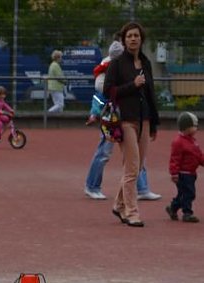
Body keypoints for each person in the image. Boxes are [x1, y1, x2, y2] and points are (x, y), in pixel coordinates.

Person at [84, 39, 160, 201]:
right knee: (104, 152)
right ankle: (92, 186)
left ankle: (142, 188)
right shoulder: (109, 70)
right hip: (112, 118)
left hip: (128, 116)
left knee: (136, 154)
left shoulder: (128, 66)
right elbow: (101, 94)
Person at [105, 22, 160, 227]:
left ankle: (118, 205)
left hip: (144, 120)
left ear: (141, 39)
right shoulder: (117, 64)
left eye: (136, 36)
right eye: (129, 36)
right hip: (125, 121)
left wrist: (154, 123)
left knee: (136, 169)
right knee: (132, 168)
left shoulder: (145, 63)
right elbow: (108, 91)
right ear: (124, 39)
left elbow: (151, 94)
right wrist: (132, 85)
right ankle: (132, 212)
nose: (133, 39)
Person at [167, 112, 203, 223]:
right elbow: (174, 159)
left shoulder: (192, 141)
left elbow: (198, 155)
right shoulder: (178, 142)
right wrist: (174, 173)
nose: (196, 128)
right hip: (183, 173)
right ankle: (187, 213)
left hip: (191, 173)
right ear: (186, 127)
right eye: (194, 126)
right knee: (188, 193)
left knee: (183, 193)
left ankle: (173, 207)